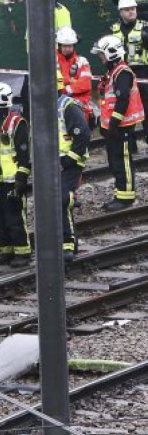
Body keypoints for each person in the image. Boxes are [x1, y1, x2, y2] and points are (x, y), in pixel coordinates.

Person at [0, 83, 31, 267]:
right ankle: (6, 251)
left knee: (14, 218)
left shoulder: (16, 123)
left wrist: (21, 180)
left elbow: (24, 155)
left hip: (11, 181)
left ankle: (23, 252)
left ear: (0, 101)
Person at [93, 35, 145, 212]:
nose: (100, 57)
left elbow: (122, 100)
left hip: (121, 126)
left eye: (102, 54)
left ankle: (126, 197)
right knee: (116, 161)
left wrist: (113, 123)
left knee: (122, 161)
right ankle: (120, 194)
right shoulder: (113, 71)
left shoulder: (122, 73)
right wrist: (106, 124)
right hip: (115, 126)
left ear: (111, 53)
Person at [56, 70, 91, 261]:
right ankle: (60, 242)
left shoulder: (67, 106)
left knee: (62, 199)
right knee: (53, 201)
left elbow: (83, 134)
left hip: (70, 162)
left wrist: (69, 158)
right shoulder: (42, 106)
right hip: (53, 163)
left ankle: (68, 244)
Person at [21, 1, 72, 118]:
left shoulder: (61, 11)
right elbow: (29, 38)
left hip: (53, 63)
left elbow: (65, 40)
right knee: (28, 95)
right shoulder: (35, 10)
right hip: (36, 61)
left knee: (51, 96)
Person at [110, 0, 148, 143]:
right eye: (127, 10)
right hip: (122, 73)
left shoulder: (145, 26)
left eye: (132, 9)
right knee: (125, 107)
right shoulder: (113, 30)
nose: (130, 12)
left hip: (143, 72)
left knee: (146, 107)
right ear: (120, 12)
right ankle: (130, 142)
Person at [56, 25, 95, 127]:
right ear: (59, 45)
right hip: (57, 104)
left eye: (70, 46)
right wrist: (72, 81)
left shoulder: (82, 61)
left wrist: (64, 87)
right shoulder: (52, 61)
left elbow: (86, 85)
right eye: (65, 46)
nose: (68, 49)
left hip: (80, 105)